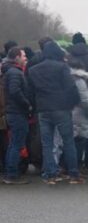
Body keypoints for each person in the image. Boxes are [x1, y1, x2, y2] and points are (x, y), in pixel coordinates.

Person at [27, 39, 81, 184]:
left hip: (43, 110)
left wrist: (35, 106)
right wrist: (72, 103)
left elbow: (30, 92)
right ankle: (73, 174)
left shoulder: (33, 70)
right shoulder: (62, 67)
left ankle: (50, 174)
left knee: (47, 144)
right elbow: (71, 88)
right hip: (62, 108)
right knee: (68, 141)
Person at [2, 48, 32, 185]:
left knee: (13, 144)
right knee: (16, 144)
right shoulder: (15, 72)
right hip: (17, 112)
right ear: (16, 57)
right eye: (23, 55)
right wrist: (27, 104)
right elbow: (15, 91)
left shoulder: (11, 71)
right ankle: (12, 174)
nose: (25, 58)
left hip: (12, 112)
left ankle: (10, 172)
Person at [67, 56, 88, 175]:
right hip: (79, 113)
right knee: (79, 140)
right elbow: (85, 100)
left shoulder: (64, 78)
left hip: (66, 112)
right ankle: (76, 167)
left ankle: (67, 166)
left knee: (67, 140)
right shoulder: (80, 80)